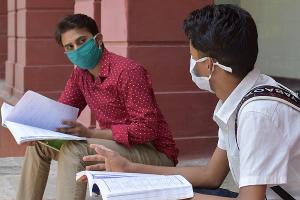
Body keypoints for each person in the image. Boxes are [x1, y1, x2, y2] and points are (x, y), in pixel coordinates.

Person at [82, 4, 300, 200]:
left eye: (192, 57)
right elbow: (211, 175)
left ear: (209, 65)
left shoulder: (257, 113)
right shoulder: (237, 99)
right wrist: (129, 168)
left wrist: (162, 195)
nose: (191, 63)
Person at [16, 14, 178, 200]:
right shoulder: (80, 75)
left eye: (82, 41)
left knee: (75, 149)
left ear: (98, 39)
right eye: (70, 47)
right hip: (116, 145)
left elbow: (147, 129)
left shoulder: (128, 72)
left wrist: (92, 134)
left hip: (154, 152)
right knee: (39, 145)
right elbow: (60, 115)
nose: (77, 49)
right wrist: (35, 132)